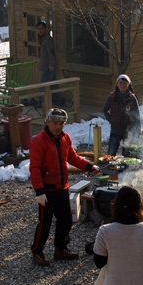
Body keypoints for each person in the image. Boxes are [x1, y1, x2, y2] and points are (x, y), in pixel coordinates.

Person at [29, 108, 100, 266]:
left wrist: (89, 166)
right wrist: (39, 191)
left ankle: (60, 248)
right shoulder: (38, 140)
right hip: (47, 190)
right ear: (47, 122)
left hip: (61, 187)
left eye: (61, 123)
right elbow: (34, 168)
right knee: (45, 222)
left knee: (66, 220)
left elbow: (72, 157)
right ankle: (37, 250)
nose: (58, 126)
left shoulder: (65, 138)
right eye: (55, 123)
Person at [102, 74, 141, 158]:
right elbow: (105, 110)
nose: (122, 85)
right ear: (117, 84)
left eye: (125, 83)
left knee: (127, 154)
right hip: (115, 130)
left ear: (128, 84)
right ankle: (109, 170)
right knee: (111, 154)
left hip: (128, 130)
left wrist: (138, 129)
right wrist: (111, 120)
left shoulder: (132, 97)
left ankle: (125, 170)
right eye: (120, 83)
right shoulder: (112, 97)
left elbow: (137, 115)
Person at [36, 21, 64, 106]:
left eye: (41, 28)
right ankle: (59, 100)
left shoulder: (48, 39)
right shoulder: (42, 39)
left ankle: (41, 102)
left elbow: (51, 53)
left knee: (43, 84)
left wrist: (51, 64)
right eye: (38, 29)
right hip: (45, 64)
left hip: (48, 66)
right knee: (54, 84)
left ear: (45, 29)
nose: (40, 30)